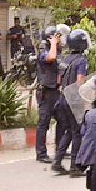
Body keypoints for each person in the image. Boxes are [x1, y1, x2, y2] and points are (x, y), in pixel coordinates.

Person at [51, 29, 89, 176]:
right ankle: (74, 167)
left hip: (62, 98)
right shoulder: (81, 60)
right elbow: (80, 82)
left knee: (67, 130)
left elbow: (59, 80)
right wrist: (85, 100)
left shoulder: (65, 59)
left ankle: (57, 161)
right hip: (73, 100)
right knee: (77, 133)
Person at [35, 26, 63, 164]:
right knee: (43, 123)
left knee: (62, 121)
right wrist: (53, 44)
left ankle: (60, 149)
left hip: (56, 91)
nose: (59, 40)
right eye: (57, 37)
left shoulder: (58, 51)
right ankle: (41, 153)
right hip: (45, 92)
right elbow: (51, 57)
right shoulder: (43, 52)